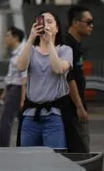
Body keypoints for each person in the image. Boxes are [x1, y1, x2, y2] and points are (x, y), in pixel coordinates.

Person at [16, 11, 73, 150]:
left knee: (55, 160)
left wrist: (49, 43)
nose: (46, 25)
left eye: (50, 22)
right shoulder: (31, 50)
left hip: (54, 116)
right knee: (27, 160)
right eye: (42, 21)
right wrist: (31, 38)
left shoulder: (65, 50)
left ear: (57, 28)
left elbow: (58, 68)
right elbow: (20, 66)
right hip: (30, 117)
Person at [66, 5, 94, 153]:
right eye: (88, 22)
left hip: (74, 107)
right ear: (75, 22)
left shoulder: (76, 45)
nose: (92, 26)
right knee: (81, 153)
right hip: (71, 110)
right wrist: (79, 106)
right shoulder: (67, 46)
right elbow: (69, 78)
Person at [0, 26, 27, 147]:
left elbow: (24, 77)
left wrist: (23, 98)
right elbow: (11, 75)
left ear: (15, 38)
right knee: (22, 120)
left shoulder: (22, 52)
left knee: (5, 120)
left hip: (17, 90)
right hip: (12, 88)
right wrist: (5, 92)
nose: (6, 38)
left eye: (8, 36)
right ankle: (22, 146)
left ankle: (3, 148)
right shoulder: (15, 52)